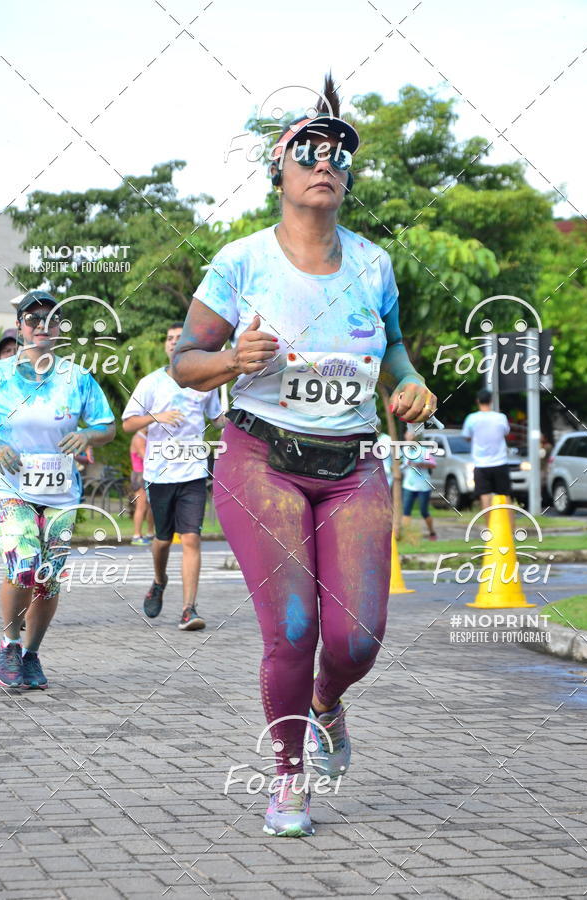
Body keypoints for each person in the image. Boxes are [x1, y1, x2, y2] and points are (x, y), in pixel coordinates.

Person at [171, 75, 437, 837]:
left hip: (353, 465)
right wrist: (231, 362)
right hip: (261, 458)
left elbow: (392, 349)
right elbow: (187, 358)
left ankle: (327, 702)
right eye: (307, 152)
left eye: (338, 155)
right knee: (292, 626)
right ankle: (288, 776)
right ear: (280, 172)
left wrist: (412, 384)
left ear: (346, 179)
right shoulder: (241, 262)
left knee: (355, 638)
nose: (325, 162)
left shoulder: (373, 264)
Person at [0, 290, 115, 689]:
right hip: (8, 486)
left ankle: (31, 653)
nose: (42, 326)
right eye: (33, 319)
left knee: (49, 577)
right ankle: (9, 643)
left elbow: (106, 426)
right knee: (24, 562)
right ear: (20, 327)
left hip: (61, 492)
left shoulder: (77, 378)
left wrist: (87, 436)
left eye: (51, 319)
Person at [122, 322, 226, 630]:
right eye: (169, 339)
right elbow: (128, 424)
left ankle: (188, 609)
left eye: (180, 338)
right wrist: (157, 417)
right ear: (166, 346)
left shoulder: (203, 384)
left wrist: (238, 416)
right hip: (160, 473)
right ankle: (159, 580)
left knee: (192, 537)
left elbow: (218, 418)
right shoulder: (151, 383)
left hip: (193, 471)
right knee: (163, 541)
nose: (173, 342)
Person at [462, 388, 512, 519]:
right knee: (505, 496)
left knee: (485, 497)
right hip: (500, 461)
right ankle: (511, 530)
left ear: (477, 401)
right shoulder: (501, 417)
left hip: (481, 463)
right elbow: (506, 432)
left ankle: (489, 531)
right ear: (491, 401)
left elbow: (466, 436)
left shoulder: (472, 418)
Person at [401, 429, 437, 539]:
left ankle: (432, 532)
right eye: (408, 434)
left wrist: (419, 464)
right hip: (409, 485)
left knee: (424, 511)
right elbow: (402, 465)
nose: (410, 437)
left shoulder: (424, 450)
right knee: (406, 511)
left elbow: (433, 464)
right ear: (405, 436)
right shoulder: (404, 450)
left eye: (412, 435)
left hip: (423, 486)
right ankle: (406, 535)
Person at [129, 429, 154, 545]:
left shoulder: (147, 437)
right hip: (139, 475)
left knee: (151, 506)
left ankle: (150, 533)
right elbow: (147, 457)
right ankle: (136, 535)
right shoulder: (138, 438)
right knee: (141, 506)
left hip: (149, 475)